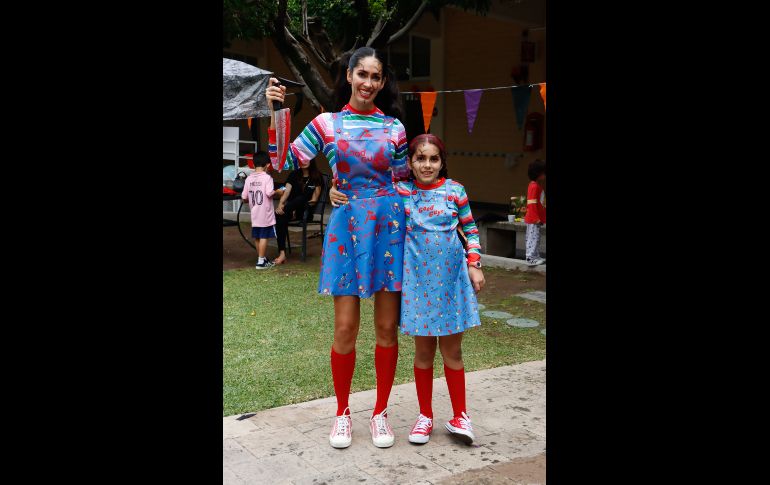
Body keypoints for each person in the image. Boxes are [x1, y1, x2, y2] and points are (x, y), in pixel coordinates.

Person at [265, 46, 409, 449]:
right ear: (348, 75)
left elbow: (403, 182)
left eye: (376, 77)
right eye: (362, 74)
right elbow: (283, 161)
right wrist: (276, 112)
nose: (368, 83)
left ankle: (380, 413)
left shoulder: (395, 128)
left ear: (382, 82)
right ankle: (342, 413)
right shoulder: (326, 124)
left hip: (388, 230)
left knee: (386, 328)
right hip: (347, 231)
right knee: (345, 328)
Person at [331, 134, 486, 445]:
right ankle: (425, 416)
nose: (427, 165)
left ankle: (460, 415)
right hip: (418, 287)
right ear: (410, 163)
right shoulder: (400, 192)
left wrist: (474, 263)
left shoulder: (455, 191)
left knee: (453, 351)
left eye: (433, 159)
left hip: (452, 284)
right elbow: (369, 190)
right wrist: (338, 188)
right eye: (420, 158)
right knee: (424, 352)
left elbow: (470, 229)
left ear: (442, 162)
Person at [272, 158, 323, 264]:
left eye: (306, 159)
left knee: (301, 198)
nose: (303, 161)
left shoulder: (316, 176)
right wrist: (280, 204)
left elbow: (314, 199)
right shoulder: (293, 175)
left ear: (311, 160)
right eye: (301, 159)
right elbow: (286, 192)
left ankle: (289, 209)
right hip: (290, 210)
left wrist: (294, 206)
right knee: (279, 216)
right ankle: (282, 253)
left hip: (305, 211)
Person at [241, 151, 277, 269]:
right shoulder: (267, 178)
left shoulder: (249, 179)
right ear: (268, 165)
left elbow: (244, 197)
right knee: (264, 236)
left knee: (257, 236)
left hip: (255, 214)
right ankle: (261, 262)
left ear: (253, 164)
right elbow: (269, 193)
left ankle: (262, 258)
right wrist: (278, 192)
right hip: (265, 214)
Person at [524, 159, 546, 265]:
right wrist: (536, 218)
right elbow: (532, 204)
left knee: (536, 238)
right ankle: (530, 258)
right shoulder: (534, 186)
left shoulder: (535, 185)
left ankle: (535, 256)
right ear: (539, 173)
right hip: (533, 219)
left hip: (535, 219)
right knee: (533, 238)